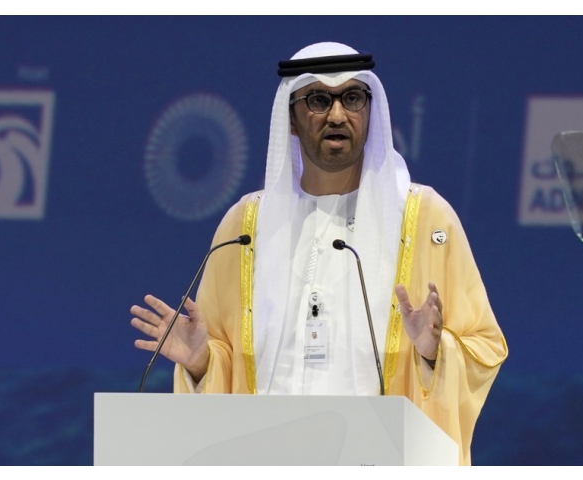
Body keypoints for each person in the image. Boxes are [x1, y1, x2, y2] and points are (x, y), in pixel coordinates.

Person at [131, 42, 507, 465]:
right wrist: (201, 362)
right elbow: (227, 368)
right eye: (318, 100)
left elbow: (484, 347)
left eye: (352, 98)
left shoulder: (424, 218)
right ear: (291, 118)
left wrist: (435, 353)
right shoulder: (245, 227)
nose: (337, 115)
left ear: (370, 111)